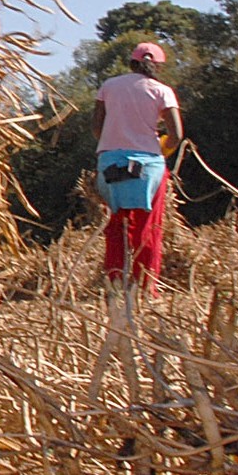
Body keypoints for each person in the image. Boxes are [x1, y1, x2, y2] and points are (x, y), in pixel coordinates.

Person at [92, 42, 184, 295]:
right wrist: (163, 147)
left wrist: (114, 142)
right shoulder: (162, 91)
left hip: (110, 162)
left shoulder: (108, 86)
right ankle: (145, 288)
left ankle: (114, 284)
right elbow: (176, 135)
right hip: (148, 166)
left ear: (131, 63)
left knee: (115, 227)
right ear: (157, 66)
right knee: (148, 228)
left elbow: (97, 128)